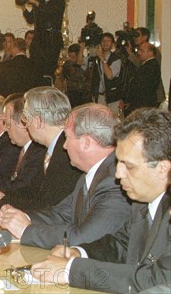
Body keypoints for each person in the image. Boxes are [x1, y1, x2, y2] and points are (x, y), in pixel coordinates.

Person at [31, 108, 171, 293]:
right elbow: (121, 245)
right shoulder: (142, 202)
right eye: (118, 162)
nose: (118, 174)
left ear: (163, 169)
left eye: (128, 166)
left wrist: (70, 270)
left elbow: (157, 279)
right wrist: (80, 253)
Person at [0, 103, 131, 248]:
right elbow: (60, 214)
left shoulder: (116, 182)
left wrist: (26, 230)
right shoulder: (94, 173)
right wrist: (22, 217)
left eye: (67, 137)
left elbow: (84, 238)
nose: (64, 146)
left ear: (85, 143)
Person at [0, 87, 82, 213]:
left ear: (38, 121)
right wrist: (4, 201)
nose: (25, 124)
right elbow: (32, 191)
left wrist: (4, 204)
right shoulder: (50, 148)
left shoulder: (67, 152)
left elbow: (49, 204)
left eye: (25, 118)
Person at [0, 94, 46, 214]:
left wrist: (0, 199)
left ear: (23, 123)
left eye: (8, 124)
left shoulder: (39, 151)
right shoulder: (25, 148)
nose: (5, 129)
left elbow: (22, 188)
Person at [22, 0, 65, 79]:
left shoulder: (59, 2)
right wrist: (23, 7)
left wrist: (35, 2)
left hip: (51, 41)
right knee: (36, 71)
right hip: (38, 41)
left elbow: (49, 13)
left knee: (48, 71)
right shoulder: (38, 3)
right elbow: (30, 20)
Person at [121, 43, 161, 116]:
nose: (138, 53)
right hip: (141, 103)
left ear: (150, 53)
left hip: (143, 104)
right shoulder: (147, 64)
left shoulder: (151, 66)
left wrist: (130, 100)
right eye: (138, 50)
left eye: (142, 51)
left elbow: (142, 87)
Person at [62, 43, 90, 108]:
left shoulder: (87, 63)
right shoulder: (68, 64)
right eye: (69, 56)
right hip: (72, 96)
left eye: (73, 57)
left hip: (84, 97)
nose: (71, 59)